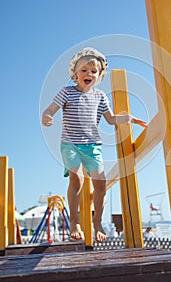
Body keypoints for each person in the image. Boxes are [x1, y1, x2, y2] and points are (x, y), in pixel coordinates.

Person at [42, 47, 147, 242]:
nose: (88, 74)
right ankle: (74, 222)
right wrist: (47, 116)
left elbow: (111, 119)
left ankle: (97, 222)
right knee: (77, 180)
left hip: (92, 146)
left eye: (93, 71)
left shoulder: (100, 97)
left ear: (99, 75)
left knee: (101, 185)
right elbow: (51, 108)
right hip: (70, 144)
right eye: (84, 70)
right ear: (75, 73)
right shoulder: (66, 92)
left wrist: (130, 118)